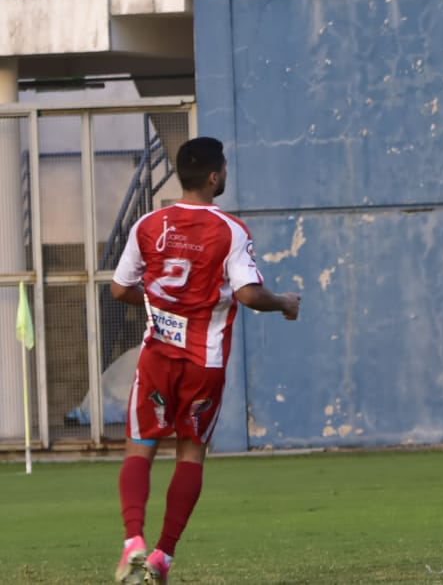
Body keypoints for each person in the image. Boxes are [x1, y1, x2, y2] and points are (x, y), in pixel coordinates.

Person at [110, 137, 301, 585]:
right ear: (215, 177)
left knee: (141, 446)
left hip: (157, 354)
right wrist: (285, 302)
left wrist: (158, 306)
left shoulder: (149, 225)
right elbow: (250, 294)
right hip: (205, 362)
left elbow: (120, 289)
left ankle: (133, 541)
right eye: (225, 168)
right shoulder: (229, 229)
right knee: (191, 454)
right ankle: (163, 556)